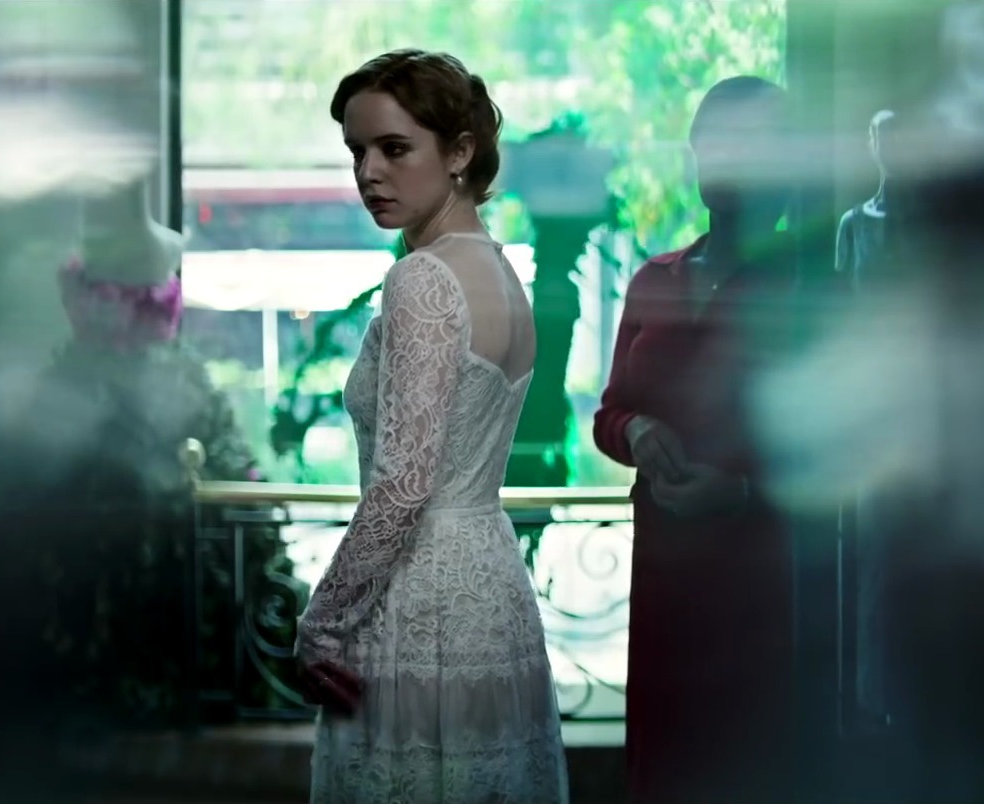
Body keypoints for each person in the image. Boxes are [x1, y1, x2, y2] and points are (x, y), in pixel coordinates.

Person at [293, 49, 569, 803]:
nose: (368, 173)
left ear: (459, 153)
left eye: (394, 148)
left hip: (420, 598)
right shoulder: (502, 273)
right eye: (356, 152)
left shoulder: (422, 278)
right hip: (490, 588)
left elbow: (404, 486)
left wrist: (322, 622)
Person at [592, 76, 797, 803]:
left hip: (762, 583)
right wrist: (637, 429)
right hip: (665, 573)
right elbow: (608, 413)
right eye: (709, 144)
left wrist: (740, 490)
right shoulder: (656, 278)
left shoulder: (807, 285)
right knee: (665, 761)